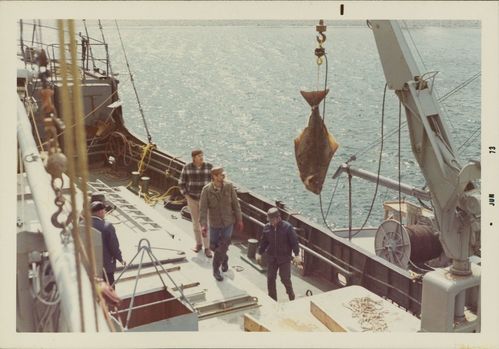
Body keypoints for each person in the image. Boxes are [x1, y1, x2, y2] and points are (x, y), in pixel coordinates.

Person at [199, 166, 243, 281]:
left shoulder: (229, 187)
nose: (223, 176)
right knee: (214, 246)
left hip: (228, 223)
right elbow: (203, 209)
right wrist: (203, 225)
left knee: (222, 246)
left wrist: (239, 220)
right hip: (215, 224)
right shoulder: (206, 190)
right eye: (221, 175)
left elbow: (235, 204)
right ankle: (224, 258)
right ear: (214, 176)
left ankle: (215, 270)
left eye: (224, 175)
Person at [256, 207, 302, 301]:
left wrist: (297, 254)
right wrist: (259, 253)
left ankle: (291, 295)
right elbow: (264, 242)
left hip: (284, 258)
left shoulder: (287, 228)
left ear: (278, 218)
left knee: (285, 278)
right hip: (272, 257)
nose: (271, 222)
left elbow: (294, 242)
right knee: (270, 278)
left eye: (272, 220)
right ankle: (272, 299)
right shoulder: (267, 227)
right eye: (269, 220)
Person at [178, 149, 213, 258]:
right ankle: (198, 244)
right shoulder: (187, 167)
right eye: (199, 156)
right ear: (193, 158)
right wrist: (186, 195)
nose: (201, 158)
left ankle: (207, 247)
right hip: (192, 199)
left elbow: (214, 182)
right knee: (195, 222)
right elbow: (181, 183)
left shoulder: (209, 167)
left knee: (205, 223)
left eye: (202, 155)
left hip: (205, 200)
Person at [91, 201, 126, 287]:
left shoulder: (82, 223)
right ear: (100, 212)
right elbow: (114, 246)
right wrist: (120, 259)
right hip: (105, 266)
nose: (105, 213)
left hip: (89, 265)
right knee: (109, 286)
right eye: (104, 211)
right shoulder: (107, 226)